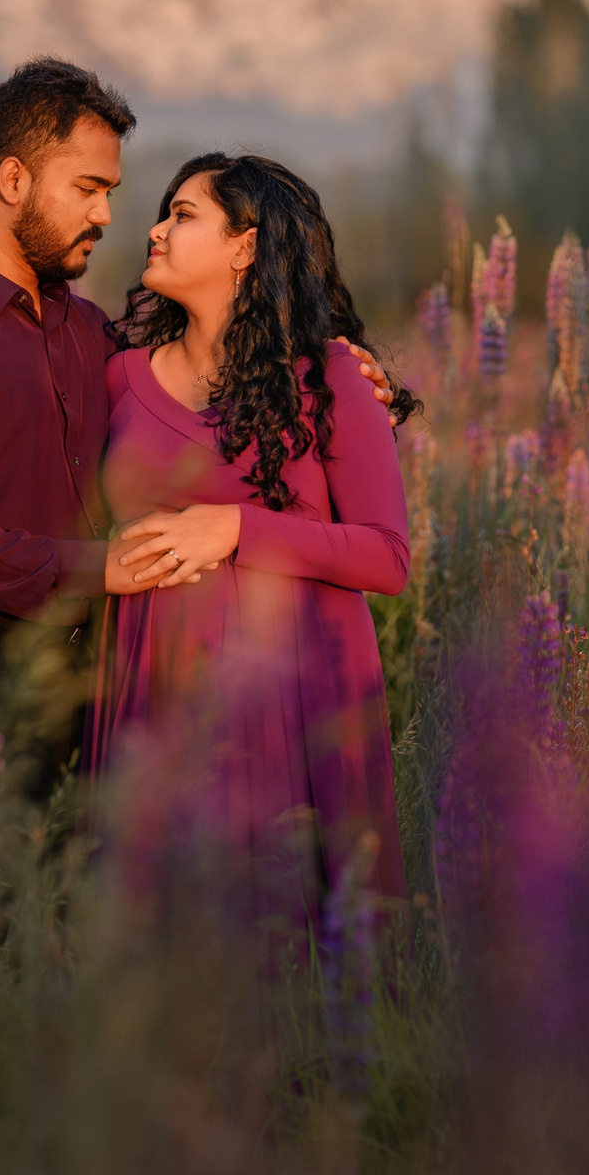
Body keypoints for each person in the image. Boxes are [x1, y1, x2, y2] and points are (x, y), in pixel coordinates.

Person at [0, 61, 393, 776]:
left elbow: (196, 408)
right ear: (13, 181)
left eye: (109, 192)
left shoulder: (88, 333)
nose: (107, 216)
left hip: (97, 679)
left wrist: (339, 380)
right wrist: (93, 568)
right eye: (88, 189)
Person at [91, 152, 418, 931]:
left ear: (245, 245)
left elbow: (387, 557)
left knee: (290, 940)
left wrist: (235, 527)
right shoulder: (120, 378)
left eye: (182, 215)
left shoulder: (331, 378)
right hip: (155, 693)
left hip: (294, 696)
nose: (155, 230)